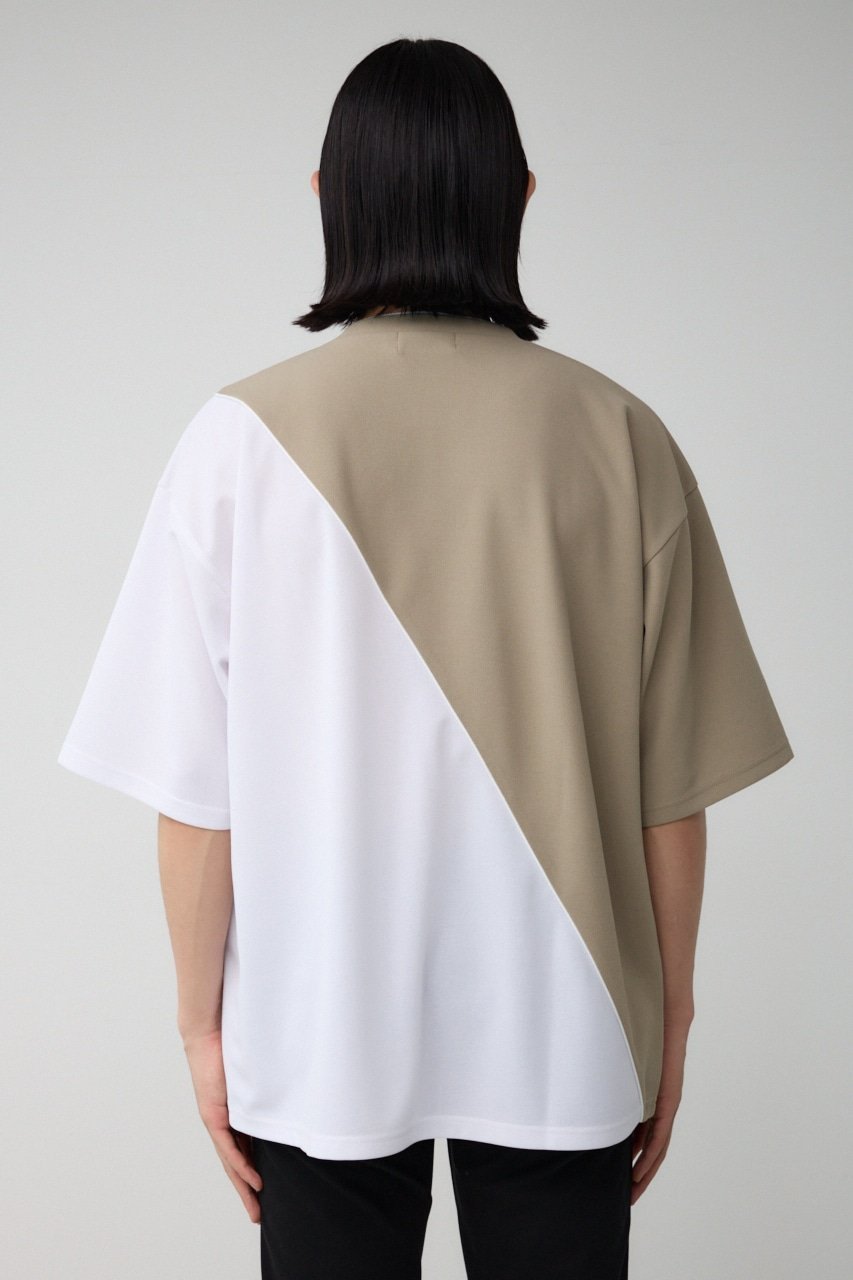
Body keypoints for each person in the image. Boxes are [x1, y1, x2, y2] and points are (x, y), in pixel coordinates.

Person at [57, 36, 794, 1280]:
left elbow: (198, 800)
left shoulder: (234, 442)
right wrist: (671, 1017)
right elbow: (672, 797)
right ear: (519, 197)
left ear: (325, 198)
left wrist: (200, 1029)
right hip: (566, 1024)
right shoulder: (622, 437)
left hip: (319, 1027)